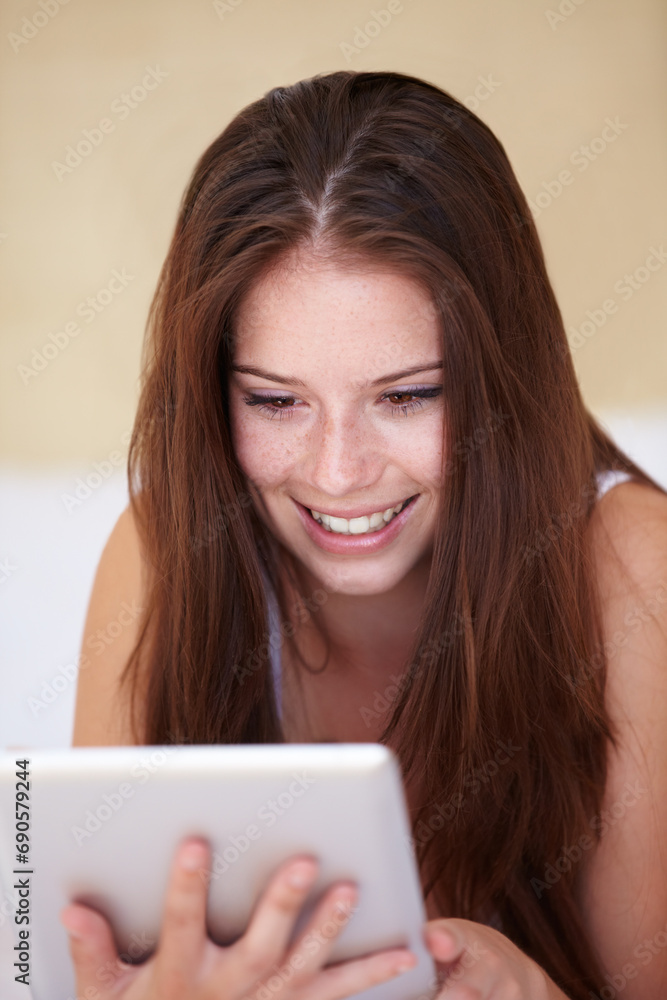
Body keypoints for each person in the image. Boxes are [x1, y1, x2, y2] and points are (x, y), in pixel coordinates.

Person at [61, 70, 667, 999]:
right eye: (274, 401)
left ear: (501, 380)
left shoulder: (634, 572)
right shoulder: (159, 555)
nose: (338, 473)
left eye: (408, 395)